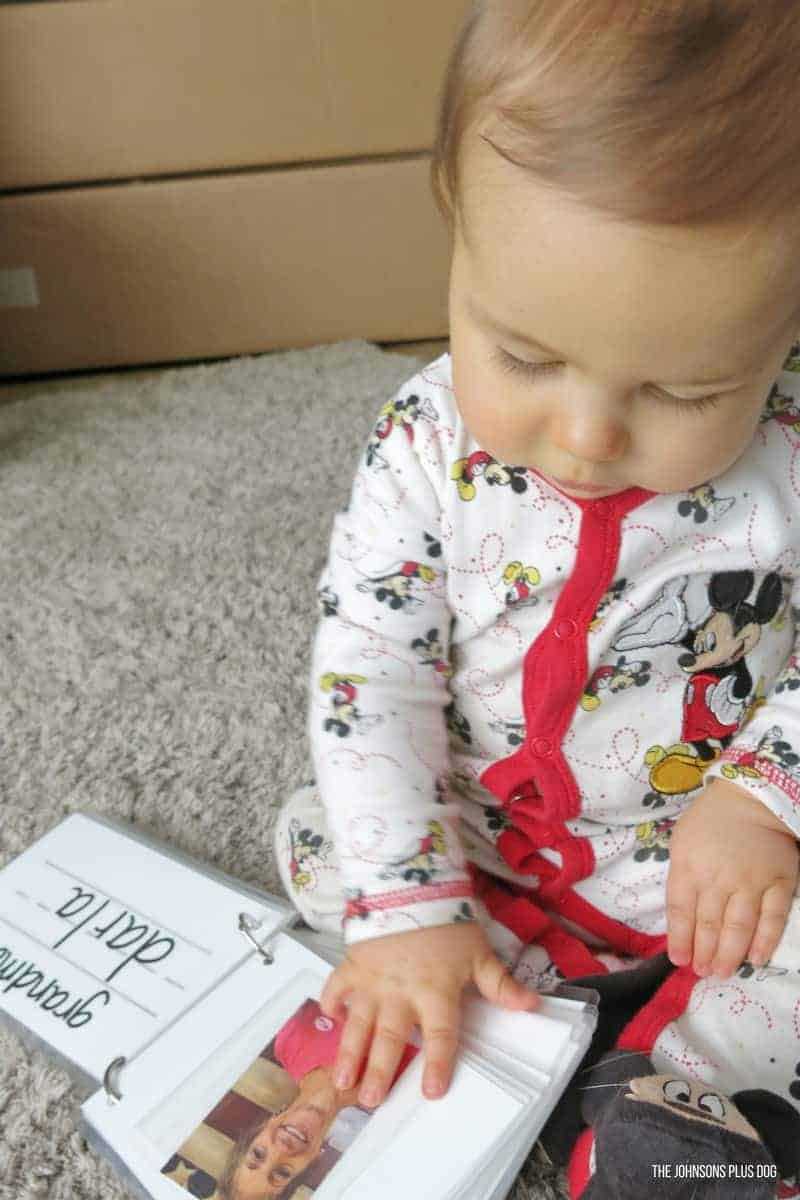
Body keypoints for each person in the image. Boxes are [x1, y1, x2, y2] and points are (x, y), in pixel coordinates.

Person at [273, 2, 800, 1194]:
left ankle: (678, 1107)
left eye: (681, 386)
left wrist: (764, 796)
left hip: (696, 856)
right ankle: (447, 966)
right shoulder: (423, 445)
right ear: (456, 229)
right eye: (521, 355)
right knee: (329, 834)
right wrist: (408, 903)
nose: (582, 435)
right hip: (480, 839)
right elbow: (371, 665)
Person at [216, 999, 417, 1199]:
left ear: (259, 1129)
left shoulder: (288, 1043)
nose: (281, 1149)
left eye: (258, 1154)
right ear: (313, 1161)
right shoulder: (401, 1094)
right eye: (282, 1173)